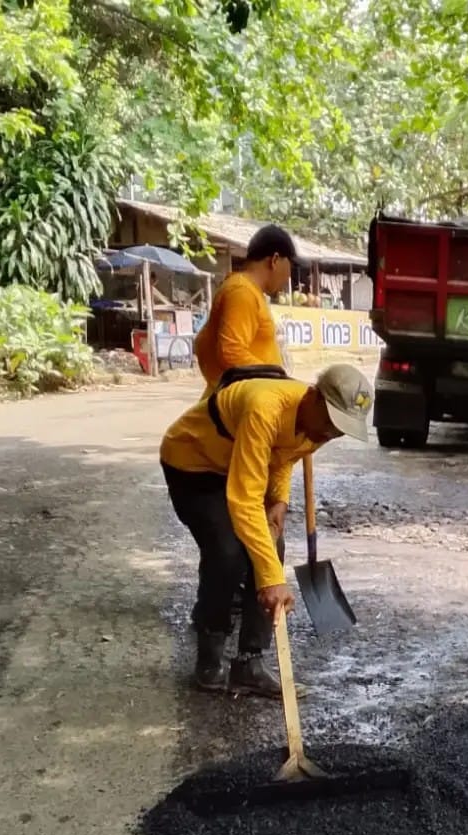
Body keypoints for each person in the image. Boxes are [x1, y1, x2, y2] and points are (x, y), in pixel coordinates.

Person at [160, 364, 373, 697]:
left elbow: (284, 456)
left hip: (240, 465)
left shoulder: (318, 426)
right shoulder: (265, 408)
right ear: (314, 397)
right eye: (331, 422)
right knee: (227, 552)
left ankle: (250, 662)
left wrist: (279, 500)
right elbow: (244, 500)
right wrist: (272, 580)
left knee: (272, 547)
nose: (330, 434)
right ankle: (210, 652)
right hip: (193, 465)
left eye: (340, 429)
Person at [194, 224, 297, 397]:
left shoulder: (247, 290)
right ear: (275, 260)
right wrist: (278, 380)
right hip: (245, 402)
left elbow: (203, 341)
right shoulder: (242, 292)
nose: (288, 277)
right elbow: (230, 351)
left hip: (251, 396)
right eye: (290, 267)